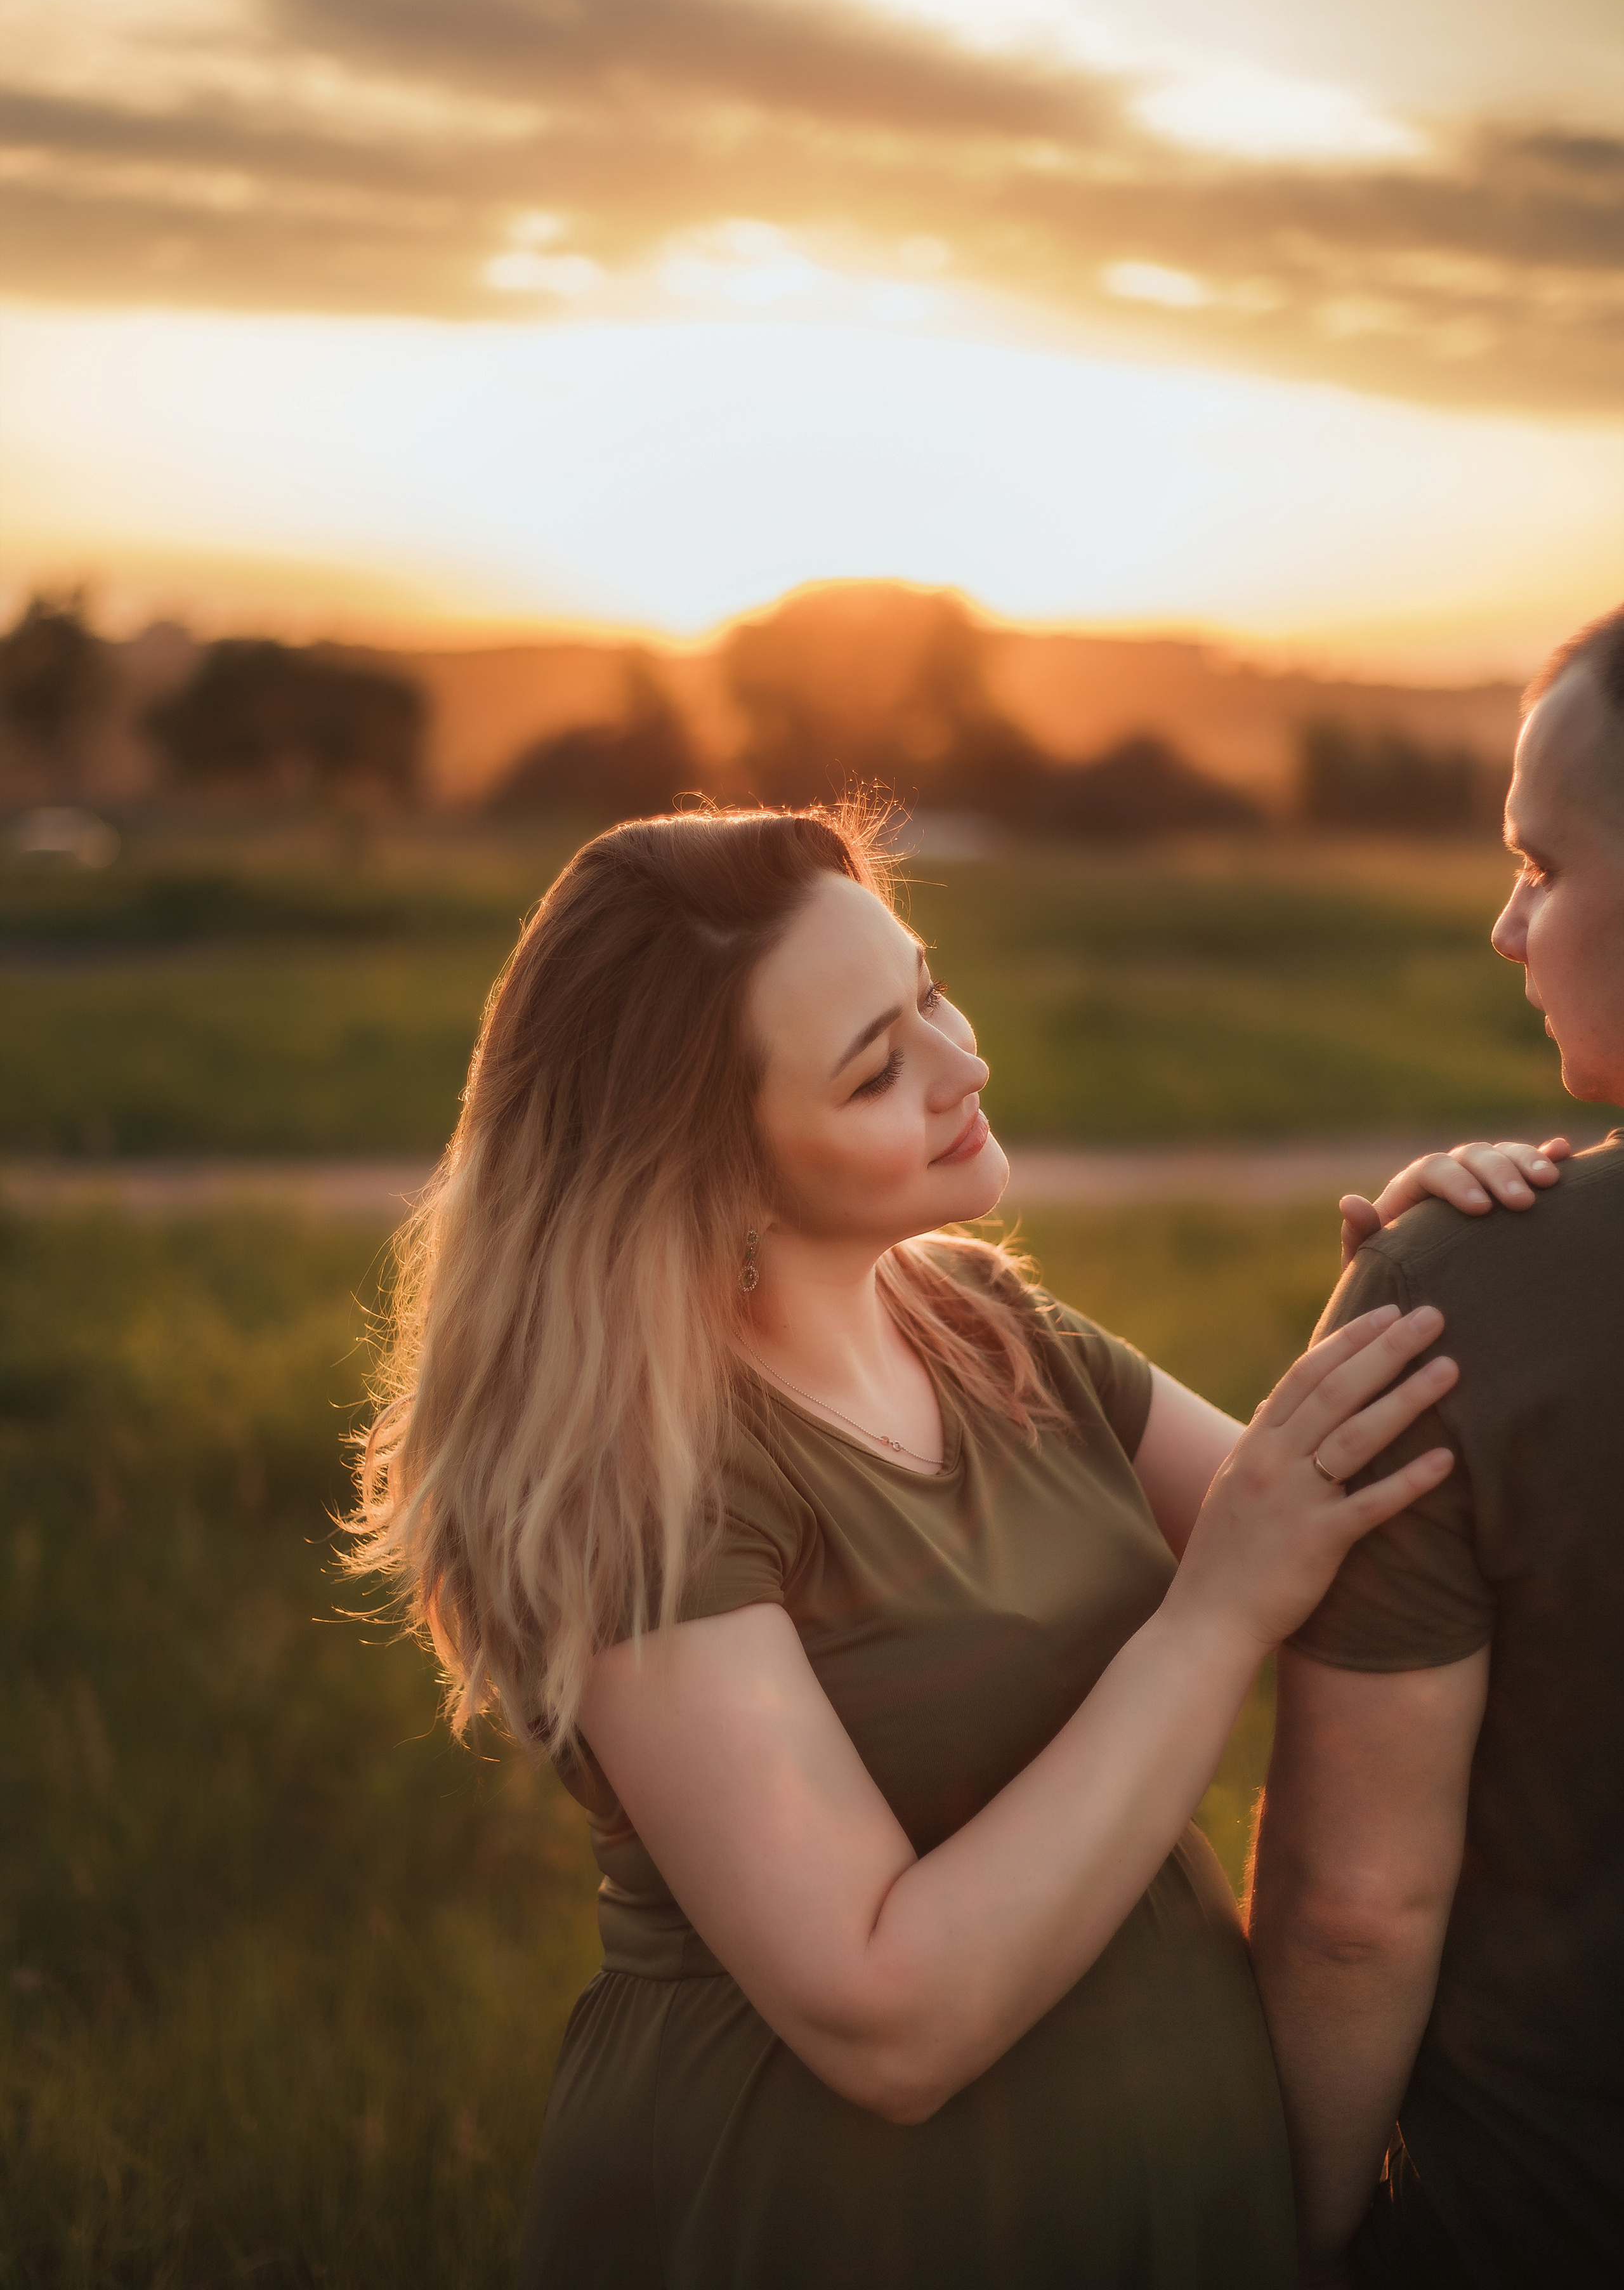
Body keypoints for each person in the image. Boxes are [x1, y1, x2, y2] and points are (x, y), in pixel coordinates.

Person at [348, 803, 1553, 2289]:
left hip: (1181, 2185)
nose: (960, 1065)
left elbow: (1356, 1551)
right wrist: (1211, 1615)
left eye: (924, 992)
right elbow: (883, 2020)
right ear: (703, 1165)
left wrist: (1456, 1271)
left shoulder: (986, 1320)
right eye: (875, 1069)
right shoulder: (631, 1477)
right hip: (833, 2218)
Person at [1247, 605, 1624, 2290]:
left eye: (1544, 864)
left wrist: (1305, 2242)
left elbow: (1352, 1911)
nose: (1507, 923)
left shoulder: (1462, 1299)